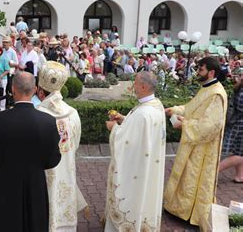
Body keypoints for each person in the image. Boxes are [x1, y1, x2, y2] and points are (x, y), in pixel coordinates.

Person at [0, 71, 61, 232]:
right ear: (35, 89)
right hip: (35, 184)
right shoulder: (48, 122)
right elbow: (53, 160)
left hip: (4, 184)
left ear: (13, 89)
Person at [164, 57, 228, 227]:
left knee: (194, 181)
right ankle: (179, 209)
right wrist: (174, 110)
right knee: (185, 178)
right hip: (193, 144)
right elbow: (191, 107)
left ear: (211, 72)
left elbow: (210, 126)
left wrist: (184, 124)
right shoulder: (206, 89)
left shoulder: (216, 94)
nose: (198, 72)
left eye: (201, 69)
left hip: (203, 149)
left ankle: (191, 214)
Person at [104, 71, 166, 232]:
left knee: (133, 199)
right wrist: (124, 119)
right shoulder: (155, 105)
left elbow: (127, 142)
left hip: (136, 170)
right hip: (147, 165)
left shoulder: (144, 113)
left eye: (136, 83)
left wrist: (114, 128)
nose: (133, 86)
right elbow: (140, 132)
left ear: (144, 86)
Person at [36, 61, 87, 231]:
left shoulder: (38, 115)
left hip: (43, 173)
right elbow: (76, 143)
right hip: (67, 166)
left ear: (40, 92)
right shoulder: (73, 113)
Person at [220, 69, 243, 182]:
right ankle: (213, 172)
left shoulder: (239, 88)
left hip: (238, 125)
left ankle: (240, 176)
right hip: (240, 126)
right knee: (240, 155)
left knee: (238, 152)